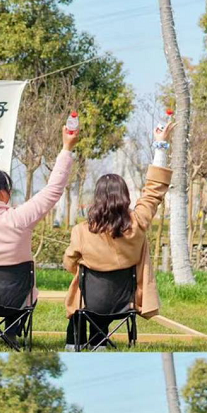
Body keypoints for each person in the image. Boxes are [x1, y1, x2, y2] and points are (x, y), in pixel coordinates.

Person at [62, 121, 176, 349]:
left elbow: (69, 263)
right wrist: (161, 146)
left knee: (84, 296)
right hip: (125, 304)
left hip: (91, 301)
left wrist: (88, 267)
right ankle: (99, 342)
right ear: (125, 196)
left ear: (97, 198)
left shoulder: (81, 231)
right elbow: (154, 190)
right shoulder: (138, 222)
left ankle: (73, 344)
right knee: (98, 298)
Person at [0, 125, 78, 338]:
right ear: (2, 193)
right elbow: (53, 190)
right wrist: (66, 148)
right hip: (20, 300)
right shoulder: (20, 218)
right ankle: (11, 333)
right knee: (20, 284)